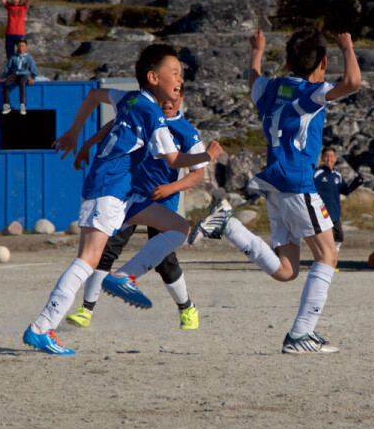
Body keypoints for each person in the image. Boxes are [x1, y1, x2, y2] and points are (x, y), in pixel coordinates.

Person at [22, 44, 223, 355]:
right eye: (175, 73)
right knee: (87, 260)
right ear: (153, 77)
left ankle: (125, 274)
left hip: (124, 192)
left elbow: (92, 97)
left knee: (179, 227)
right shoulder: (151, 111)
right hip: (109, 188)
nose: (180, 80)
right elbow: (172, 159)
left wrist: (77, 134)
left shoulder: (131, 97)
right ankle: (42, 327)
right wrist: (206, 156)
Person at [190, 27, 361, 354]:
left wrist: (257, 50)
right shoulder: (310, 92)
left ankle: (230, 226)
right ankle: (301, 335)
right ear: (323, 62)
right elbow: (352, 82)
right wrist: (348, 47)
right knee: (328, 255)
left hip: (275, 185)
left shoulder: (271, 88)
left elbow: (253, 77)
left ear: (286, 60)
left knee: (287, 270)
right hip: (297, 183)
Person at [65, 87, 207, 330]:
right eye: (168, 96)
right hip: (130, 194)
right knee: (107, 249)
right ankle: (85, 310)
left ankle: (187, 308)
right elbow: (113, 126)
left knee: (165, 262)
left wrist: (171, 189)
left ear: (182, 99)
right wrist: (88, 144)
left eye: (176, 97)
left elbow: (197, 174)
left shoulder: (188, 133)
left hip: (162, 200)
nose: (170, 101)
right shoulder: (145, 113)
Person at [313, 147, 363, 255]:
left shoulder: (338, 176)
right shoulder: (317, 174)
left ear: (335, 159)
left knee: (339, 237)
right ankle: (326, 261)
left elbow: (345, 191)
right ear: (322, 158)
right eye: (326, 156)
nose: (329, 159)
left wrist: (356, 183)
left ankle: (332, 258)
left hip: (335, 212)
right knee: (326, 239)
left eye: (331, 156)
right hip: (322, 213)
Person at [0, 38, 37, 115]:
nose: (21, 48)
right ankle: (7, 104)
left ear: (26, 47)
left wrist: (33, 78)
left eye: (22, 46)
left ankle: (22, 104)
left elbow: (33, 69)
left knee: (22, 82)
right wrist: (0, 78)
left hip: (24, 74)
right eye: (19, 46)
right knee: (6, 83)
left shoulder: (29, 58)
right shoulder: (13, 57)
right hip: (14, 73)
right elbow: (7, 69)